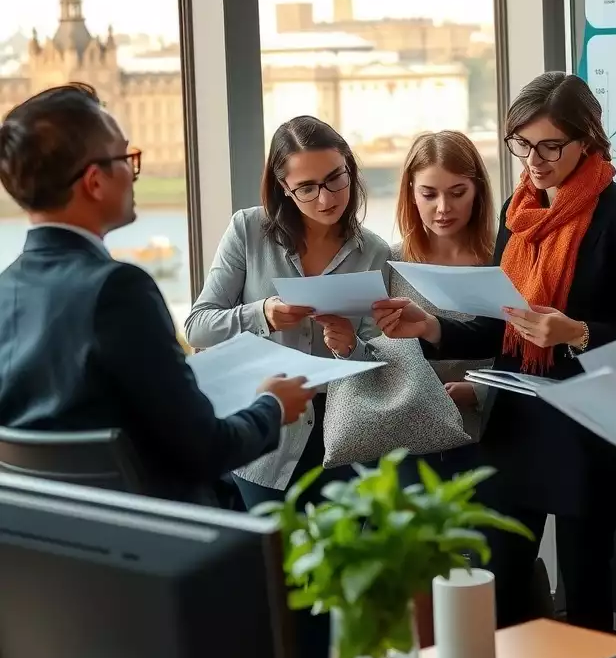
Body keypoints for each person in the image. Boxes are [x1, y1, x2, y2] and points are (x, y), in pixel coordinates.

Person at [374, 72, 616, 631]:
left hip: (587, 423)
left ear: (588, 141)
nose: (535, 159)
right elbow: (497, 331)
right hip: (519, 420)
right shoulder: (517, 212)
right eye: (522, 144)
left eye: (551, 145)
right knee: (496, 580)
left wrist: (574, 332)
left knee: (583, 592)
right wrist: (430, 327)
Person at [0, 84, 314, 507]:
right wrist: (272, 407)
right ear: (95, 182)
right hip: (168, 542)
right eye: (126, 158)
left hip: (56, 540)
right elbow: (205, 450)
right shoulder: (118, 290)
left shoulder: (7, 287)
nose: (133, 172)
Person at [185, 115, 391, 511]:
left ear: (349, 166)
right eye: (307, 188)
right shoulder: (247, 230)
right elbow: (198, 328)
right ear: (284, 188)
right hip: (264, 438)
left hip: (343, 441)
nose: (326, 198)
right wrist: (263, 314)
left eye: (335, 178)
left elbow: (378, 365)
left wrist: (350, 347)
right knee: (271, 568)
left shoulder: (375, 252)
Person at [390, 130, 496, 477]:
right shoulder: (390, 262)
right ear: (411, 192)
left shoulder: (504, 261)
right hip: (407, 441)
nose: (443, 208)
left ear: (478, 190)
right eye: (429, 193)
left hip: (490, 440)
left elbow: (524, 350)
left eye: (457, 192)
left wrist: (479, 392)